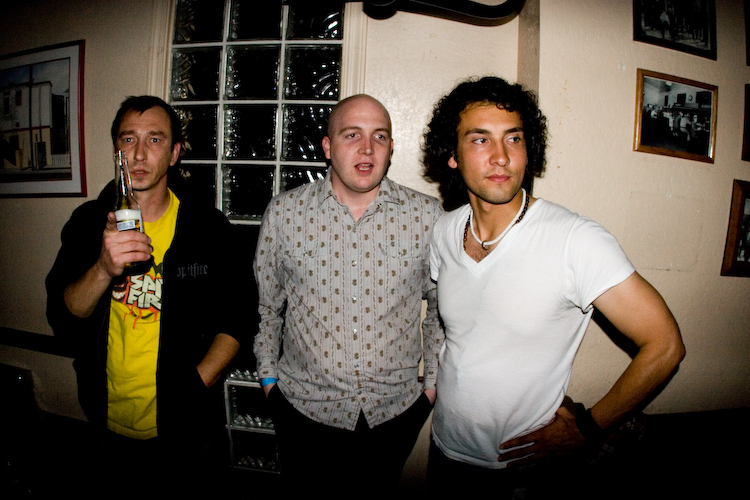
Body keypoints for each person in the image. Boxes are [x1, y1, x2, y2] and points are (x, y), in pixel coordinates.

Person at [422, 76, 685, 497]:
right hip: (444, 451)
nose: (501, 157)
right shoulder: (444, 232)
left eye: (513, 139)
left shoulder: (574, 240)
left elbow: (665, 345)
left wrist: (588, 429)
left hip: (520, 470)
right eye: (480, 140)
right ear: (452, 155)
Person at [46, 96, 245, 496]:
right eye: (128, 139)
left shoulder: (207, 226)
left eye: (155, 140)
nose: (139, 154)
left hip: (189, 428)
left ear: (174, 154)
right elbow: (64, 315)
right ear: (116, 150)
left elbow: (238, 316)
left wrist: (197, 385)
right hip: (106, 422)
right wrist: (103, 268)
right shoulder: (88, 222)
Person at [253, 94, 444, 494]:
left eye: (379, 136)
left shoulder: (427, 216)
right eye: (352, 134)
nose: (367, 148)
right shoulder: (284, 214)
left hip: (394, 415)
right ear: (328, 146)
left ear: (391, 147)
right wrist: (270, 382)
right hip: (302, 411)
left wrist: (430, 389)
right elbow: (268, 309)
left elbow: (441, 310)